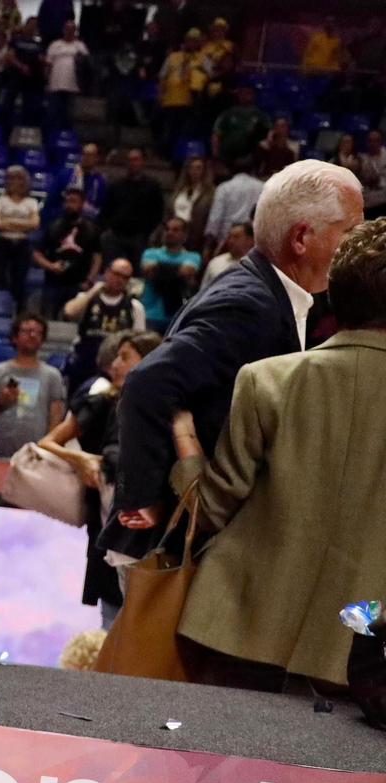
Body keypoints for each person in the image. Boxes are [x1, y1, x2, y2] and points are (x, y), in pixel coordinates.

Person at [104, 160, 364, 557]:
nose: (357, 244)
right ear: (301, 238)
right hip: (170, 550)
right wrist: (140, 498)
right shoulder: (251, 306)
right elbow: (147, 384)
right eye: (349, 231)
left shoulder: (267, 292)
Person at [169, 220, 386, 690]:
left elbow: (208, 509)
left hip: (236, 634)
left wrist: (184, 437)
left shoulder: (265, 380)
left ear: (337, 293)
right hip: (364, 662)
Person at [36, 329, 162, 628]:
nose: (115, 364)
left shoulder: (164, 410)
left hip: (148, 529)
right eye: (116, 356)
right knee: (111, 615)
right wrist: (82, 459)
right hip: (107, 524)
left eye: (124, 357)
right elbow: (48, 442)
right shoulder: (101, 402)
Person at [0, 312, 65, 456]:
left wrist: (49, 453)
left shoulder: (52, 376)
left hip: (34, 456)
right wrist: (0, 402)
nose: (32, 335)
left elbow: (55, 422)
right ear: (14, 337)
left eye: (37, 332)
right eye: (26, 331)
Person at [62, 257, 146, 387]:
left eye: (125, 277)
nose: (119, 280)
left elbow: (139, 342)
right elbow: (69, 312)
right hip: (84, 363)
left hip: (115, 368)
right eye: (116, 274)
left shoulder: (134, 307)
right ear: (107, 272)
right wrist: (93, 291)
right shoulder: (87, 299)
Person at [35, 185, 102, 315]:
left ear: (82, 204)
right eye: (67, 201)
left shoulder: (92, 229)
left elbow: (97, 257)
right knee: (48, 319)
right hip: (53, 283)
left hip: (79, 284)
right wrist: (51, 266)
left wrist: (89, 280)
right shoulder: (53, 226)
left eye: (73, 201)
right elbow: (37, 254)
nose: (69, 205)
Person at [98, 148, 165, 268]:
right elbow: (105, 210)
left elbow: (158, 212)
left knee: (137, 274)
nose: (133, 163)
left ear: (143, 162)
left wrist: (149, 233)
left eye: (136, 159)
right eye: (130, 160)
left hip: (139, 238)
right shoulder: (116, 186)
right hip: (115, 236)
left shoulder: (152, 187)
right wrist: (107, 228)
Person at [138, 216, 201, 329]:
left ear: (185, 235)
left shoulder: (193, 256)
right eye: (167, 229)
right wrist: (177, 271)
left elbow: (187, 271)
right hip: (149, 314)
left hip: (176, 318)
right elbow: (147, 269)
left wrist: (159, 269)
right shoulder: (150, 253)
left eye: (175, 230)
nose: (169, 232)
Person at [0, 165, 40, 307]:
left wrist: (8, 221)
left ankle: (16, 310)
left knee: (19, 282)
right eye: (11, 178)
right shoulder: (1, 200)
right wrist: (23, 224)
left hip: (22, 245)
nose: (14, 181)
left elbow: (35, 224)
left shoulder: (32, 202)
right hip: (2, 244)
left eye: (18, 178)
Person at [156, 28, 206, 153]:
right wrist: (160, 94)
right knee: (167, 129)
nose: (192, 44)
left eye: (195, 41)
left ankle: (177, 154)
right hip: (170, 99)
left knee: (183, 130)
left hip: (188, 100)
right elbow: (162, 76)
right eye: (190, 40)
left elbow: (211, 73)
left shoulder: (202, 59)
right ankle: (164, 153)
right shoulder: (173, 56)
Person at [202, 155, 262, 248]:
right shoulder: (263, 186)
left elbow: (215, 217)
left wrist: (208, 246)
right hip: (253, 239)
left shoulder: (224, 187)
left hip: (228, 238)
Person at [43, 19, 89, 130]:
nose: (69, 31)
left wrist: (80, 60)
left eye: (72, 29)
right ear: (63, 30)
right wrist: (46, 81)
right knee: (53, 115)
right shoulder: (55, 45)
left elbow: (86, 64)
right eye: (67, 29)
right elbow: (48, 64)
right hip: (55, 85)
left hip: (72, 87)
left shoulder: (80, 46)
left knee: (68, 117)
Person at [211, 82, 269, 168]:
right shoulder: (228, 114)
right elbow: (216, 135)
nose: (245, 96)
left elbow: (269, 135)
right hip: (227, 157)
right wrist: (216, 157)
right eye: (243, 93)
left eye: (248, 93)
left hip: (250, 158)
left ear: (253, 95)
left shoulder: (260, 115)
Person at [170, 154, 216, 252]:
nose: (194, 171)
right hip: (175, 234)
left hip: (195, 236)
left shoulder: (210, 193)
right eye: (191, 168)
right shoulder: (179, 189)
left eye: (198, 168)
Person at [201, 220, 252, 287]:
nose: (231, 241)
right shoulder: (216, 261)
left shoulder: (255, 266)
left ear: (249, 240)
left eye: (236, 237)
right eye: (229, 237)